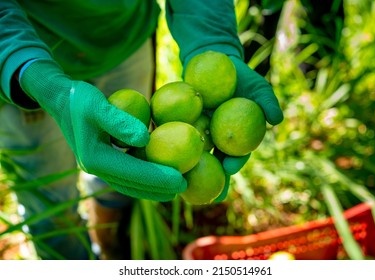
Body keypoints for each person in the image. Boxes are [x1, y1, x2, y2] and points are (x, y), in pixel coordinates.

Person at [0, 0, 283, 260]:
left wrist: (209, 33)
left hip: (126, 39)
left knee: (127, 161)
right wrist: (27, 68)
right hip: (27, 59)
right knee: (49, 201)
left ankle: (108, 244)